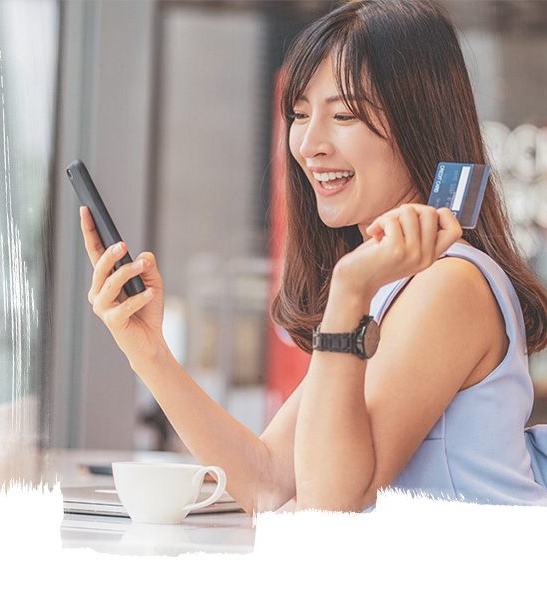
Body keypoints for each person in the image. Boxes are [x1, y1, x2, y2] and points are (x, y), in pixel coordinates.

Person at [78, 0, 547, 513]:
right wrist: (147, 351)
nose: (308, 144)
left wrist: (349, 290)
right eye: (300, 114)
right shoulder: (396, 283)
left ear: (420, 123)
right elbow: (267, 477)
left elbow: (329, 506)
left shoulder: (449, 283)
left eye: (343, 114)